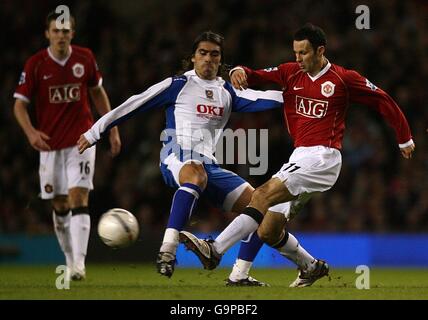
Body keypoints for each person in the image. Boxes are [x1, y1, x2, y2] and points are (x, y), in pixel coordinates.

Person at [179, 23, 415, 287]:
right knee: (269, 229)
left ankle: (215, 249)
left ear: (320, 51)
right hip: (299, 157)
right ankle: (307, 267)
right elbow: (254, 75)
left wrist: (404, 138)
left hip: (323, 157)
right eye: (295, 52)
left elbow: (382, 99)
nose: (298, 58)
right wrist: (237, 71)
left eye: (303, 53)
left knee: (261, 194)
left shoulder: (342, 79)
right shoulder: (289, 72)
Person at [77, 31, 322, 286]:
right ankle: (167, 250)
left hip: (210, 167)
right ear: (192, 58)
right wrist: (96, 131)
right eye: (202, 53)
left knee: (264, 206)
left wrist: (309, 95)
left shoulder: (227, 91)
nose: (208, 59)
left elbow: (267, 98)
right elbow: (134, 103)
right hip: (176, 156)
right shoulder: (178, 84)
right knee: (195, 173)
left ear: (220, 60)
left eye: (214, 54)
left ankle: (280, 269)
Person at [13, 11, 121, 280]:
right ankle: (69, 259)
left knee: (78, 197)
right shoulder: (35, 64)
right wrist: (30, 132)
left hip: (81, 141)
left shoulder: (84, 58)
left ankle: (79, 265)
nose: (60, 35)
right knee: (59, 205)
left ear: (72, 33)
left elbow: (97, 92)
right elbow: (19, 105)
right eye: (56, 31)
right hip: (49, 146)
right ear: (47, 34)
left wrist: (111, 128)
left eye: (65, 31)